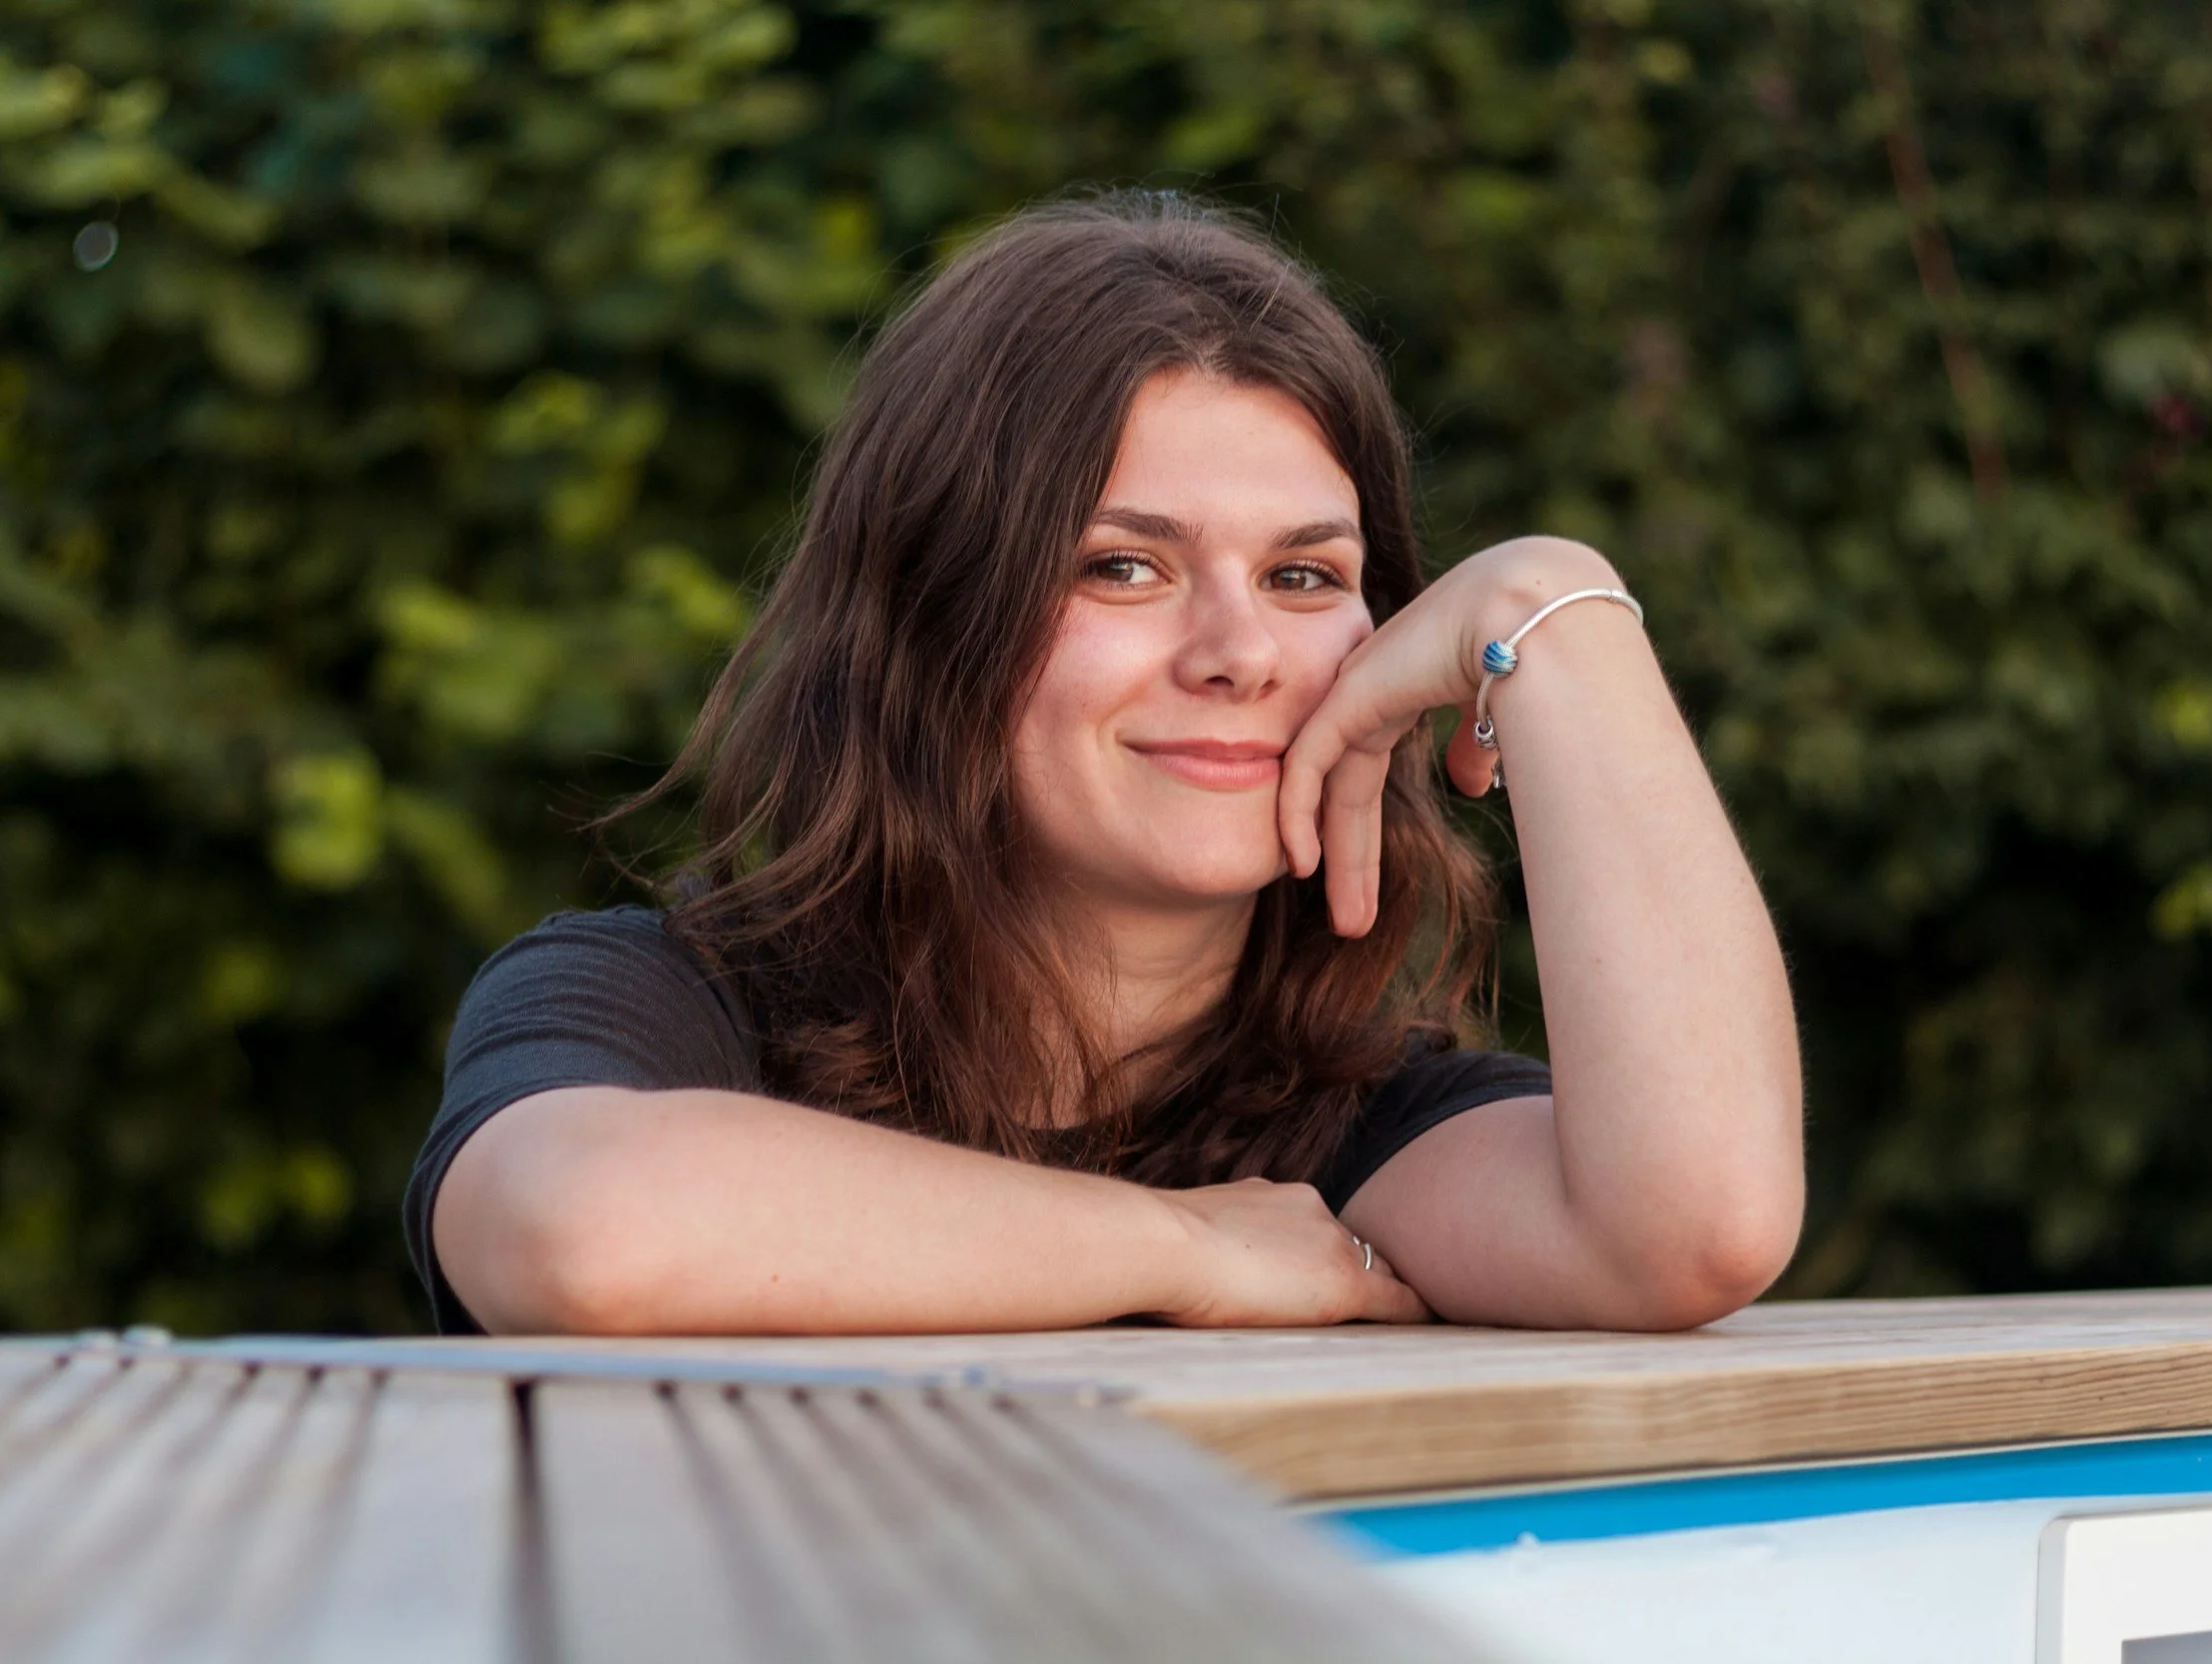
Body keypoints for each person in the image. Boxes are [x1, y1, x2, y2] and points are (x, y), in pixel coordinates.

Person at [408, 194, 1804, 1337]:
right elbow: (585, 1232)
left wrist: (1552, 615)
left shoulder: (1362, 1142)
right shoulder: (659, 1003)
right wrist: (1181, 1245)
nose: (1238, 650)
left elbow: (1700, 1229)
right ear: (935, 616)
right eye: (1124, 566)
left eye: (1307, 573)